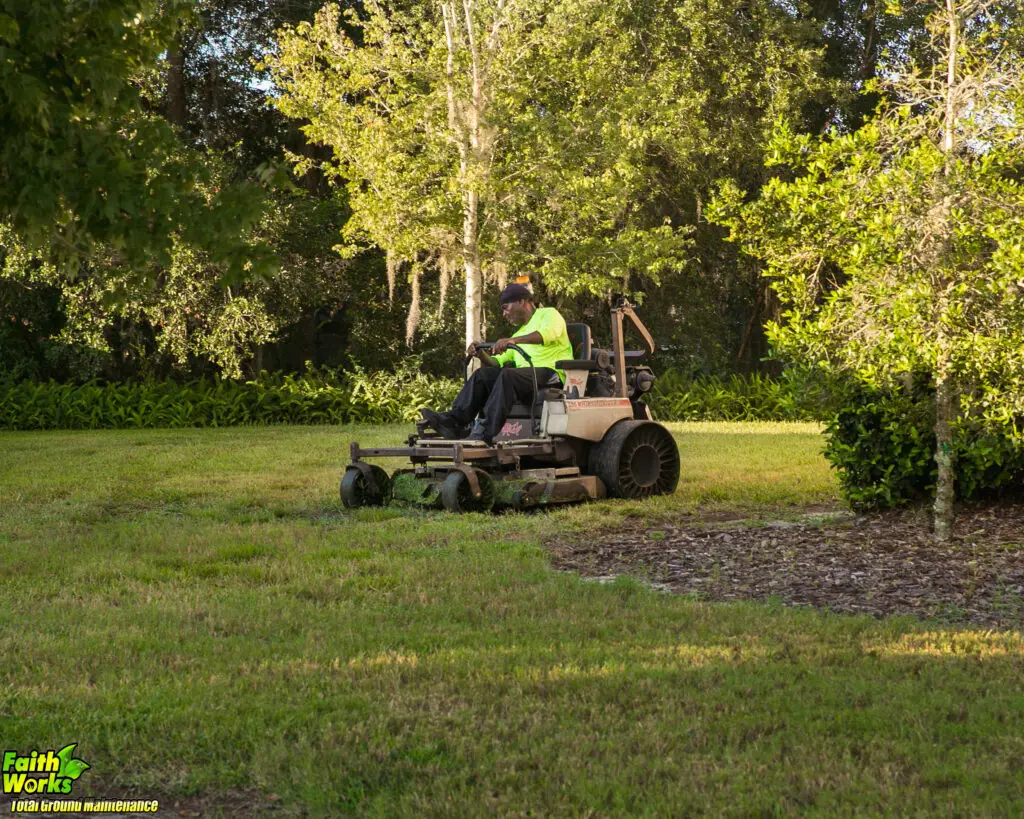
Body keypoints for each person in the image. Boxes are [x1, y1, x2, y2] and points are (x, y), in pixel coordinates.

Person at [420, 282, 573, 443]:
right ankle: (455, 422)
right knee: (482, 375)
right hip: (525, 379)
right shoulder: (519, 332)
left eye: (506, 307)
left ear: (522, 301)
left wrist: (513, 340)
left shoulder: (549, 314)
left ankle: (484, 431)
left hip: (551, 374)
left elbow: (547, 334)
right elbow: (496, 363)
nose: (504, 313)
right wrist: (481, 355)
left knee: (509, 376)